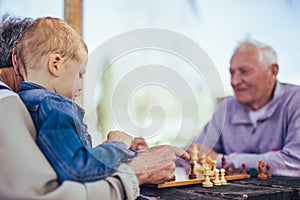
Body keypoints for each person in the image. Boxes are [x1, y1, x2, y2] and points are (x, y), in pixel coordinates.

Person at [0, 15, 189, 199]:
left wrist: (119, 153)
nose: (80, 86)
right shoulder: (51, 105)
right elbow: (77, 171)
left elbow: (60, 156)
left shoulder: (25, 102)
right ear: (55, 64)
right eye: (79, 74)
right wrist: (119, 148)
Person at [185, 39, 300, 177]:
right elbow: (196, 153)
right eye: (232, 73)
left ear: (273, 71)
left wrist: (221, 161)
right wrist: (156, 156)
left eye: (244, 72)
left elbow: (295, 163)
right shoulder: (225, 109)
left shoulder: (295, 102)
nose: (234, 81)